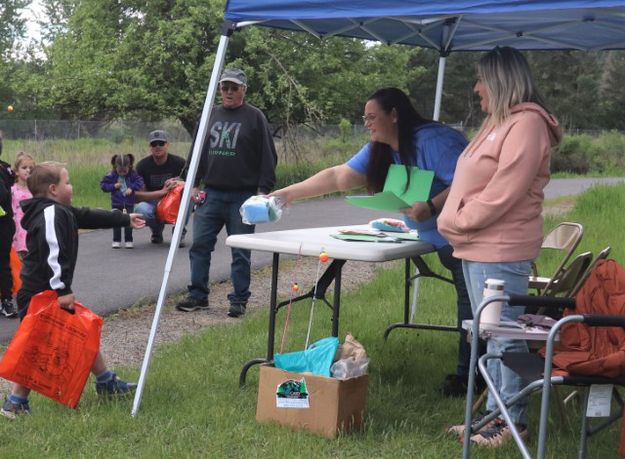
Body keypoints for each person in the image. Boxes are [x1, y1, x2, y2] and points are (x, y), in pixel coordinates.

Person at [270, 87, 473, 390]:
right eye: (364, 118)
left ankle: (471, 378)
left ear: (394, 115)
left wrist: (431, 206)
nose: (367, 124)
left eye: (372, 117)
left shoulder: (435, 141)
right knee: (467, 302)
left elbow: (469, 182)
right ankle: (470, 375)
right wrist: (286, 194)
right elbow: (339, 176)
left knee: (470, 306)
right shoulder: (381, 147)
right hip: (435, 236)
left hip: (465, 239)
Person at [439, 46, 562, 447]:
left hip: (502, 249)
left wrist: (456, 220)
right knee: (490, 335)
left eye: (480, 79)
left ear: (500, 80)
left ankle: (512, 423)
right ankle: (495, 414)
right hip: (478, 246)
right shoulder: (499, 121)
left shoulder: (526, 125)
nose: (476, 88)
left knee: (506, 335)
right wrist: (456, 224)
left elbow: (502, 192)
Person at [1, 162, 146, 418]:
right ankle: (15, 402)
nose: (72, 186)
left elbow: (86, 215)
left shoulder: (59, 210)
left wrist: (123, 218)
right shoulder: (49, 215)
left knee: (79, 331)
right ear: (54, 189)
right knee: (37, 346)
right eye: (68, 182)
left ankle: (105, 381)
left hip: (49, 291)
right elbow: (52, 253)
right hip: (41, 294)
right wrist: (62, 289)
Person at [176, 68, 277, 318]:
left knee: (240, 250)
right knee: (200, 245)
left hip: (243, 197)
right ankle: (198, 295)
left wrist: (263, 191)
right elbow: (197, 151)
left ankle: (239, 299)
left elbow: (268, 156)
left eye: (234, 88)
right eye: (225, 88)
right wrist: (193, 182)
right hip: (211, 194)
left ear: (244, 89)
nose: (229, 92)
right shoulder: (210, 115)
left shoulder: (255, 117)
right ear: (220, 89)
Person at [135, 130, 186, 245]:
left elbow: (193, 184)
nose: (158, 147)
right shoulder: (142, 166)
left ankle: (179, 233)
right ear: (150, 147)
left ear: (167, 145)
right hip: (153, 201)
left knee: (188, 200)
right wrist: (162, 192)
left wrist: (177, 182)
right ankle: (157, 230)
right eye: (154, 144)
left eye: (161, 143)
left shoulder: (180, 163)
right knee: (141, 209)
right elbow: (137, 196)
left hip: (175, 200)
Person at [100, 153, 145, 249]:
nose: (122, 172)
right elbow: (103, 185)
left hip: (128, 203)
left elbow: (140, 181)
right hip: (116, 203)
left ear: (129, 166)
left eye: (125, 170)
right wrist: (113, 186)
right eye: (119, 170)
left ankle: (129, 240)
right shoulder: (111, 175)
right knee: (116, 221)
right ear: (115, 166)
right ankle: (116, 240)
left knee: (128, 221)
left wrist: (132, 188)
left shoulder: (133, 174)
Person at [0, 133, 17, 318]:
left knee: (3, 263)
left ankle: (6, 300)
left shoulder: (4, 168)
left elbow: (4, 195)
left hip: (3, 224)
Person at [11, 152, 35, 259]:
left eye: (31, 168)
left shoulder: (34, 190)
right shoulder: (11, 190)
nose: (28, 170)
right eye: (24, 167)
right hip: (16, 233)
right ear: (16, 171)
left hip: (31, 231)